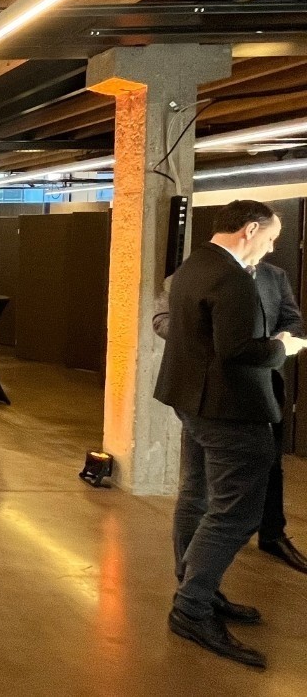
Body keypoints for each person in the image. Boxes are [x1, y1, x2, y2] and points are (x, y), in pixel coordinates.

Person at [154, 200, 307, 668]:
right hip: (230, 409)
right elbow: (239, 350)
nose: (272, 247)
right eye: (271, 237)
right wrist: (282, 347)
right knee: (235, 515)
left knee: (196, 497)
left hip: (194, 401)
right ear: (250, 229)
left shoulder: (193, 267)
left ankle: (197, 588)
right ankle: (192, 607)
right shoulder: (233, 277)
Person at [154, 260, 307, 575]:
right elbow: (161, 320)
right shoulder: (194, 274)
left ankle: (272, 533)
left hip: (263, 386)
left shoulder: (274, 276)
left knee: (270, 464)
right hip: (209, 391)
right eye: (267, 237)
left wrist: (274, 343)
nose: (269, 246)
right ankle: (190, 575)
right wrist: (218, 340)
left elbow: (292, 321)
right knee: (198, 483)